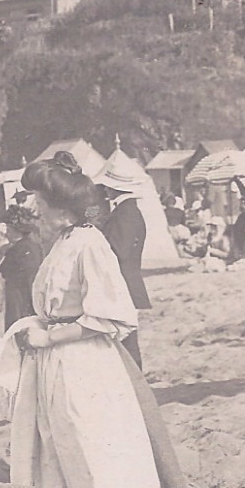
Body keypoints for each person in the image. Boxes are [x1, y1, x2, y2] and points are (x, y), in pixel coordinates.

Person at [0, 156, 214, 488]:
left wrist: (50, 338)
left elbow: (115, 317)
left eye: (38, 199)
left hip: (88, 369)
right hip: (58, 369)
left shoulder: (89, 244)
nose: (33, 207)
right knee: (61, 459)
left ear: (62, 207)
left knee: (99, 461)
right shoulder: (61, 241)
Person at [95, 150, 153, 369]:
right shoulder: (125, 211)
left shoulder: (126, 213)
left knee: (126, 340)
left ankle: (137, 387)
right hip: (125, 282)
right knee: (124, 339)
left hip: (123, 284)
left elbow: (117, 250)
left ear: (113, 188)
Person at [0, 206, 44, 329]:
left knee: (17, 328)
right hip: (30, 295)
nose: (6, 233)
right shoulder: (34, 246)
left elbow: (4, 270)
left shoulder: (17, 249)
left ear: (16, 230)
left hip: (18, 297)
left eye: (8, 229)